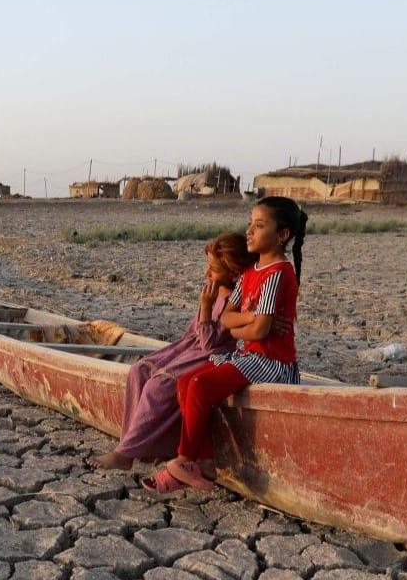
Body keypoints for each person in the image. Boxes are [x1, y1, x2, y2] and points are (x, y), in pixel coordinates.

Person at [144, 196, 308, 494]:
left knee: (201, 386)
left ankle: (183, 460)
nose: (250, 231)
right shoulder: (251, 273)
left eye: (259, 226)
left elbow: (259, 332)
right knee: (185, 383)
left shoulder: (278, 274)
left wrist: (254, 324)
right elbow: (229, 322)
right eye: (250, 224)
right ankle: (204, 462)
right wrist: (252, 318)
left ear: (282, 235)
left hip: (273, 363)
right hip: (251, 356)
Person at [87, 232, 254, 469]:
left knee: (160, 385)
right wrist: (171, 355)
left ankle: (125, 453)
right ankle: (135, 446)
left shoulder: (234, 301)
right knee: (139, 371)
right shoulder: (212, 292)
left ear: (234, 273)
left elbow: (209, 343)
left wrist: (206, 309)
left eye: (214, 270)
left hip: (212, 353)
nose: (207, 274)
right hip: (191, 347)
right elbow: (191, 334)